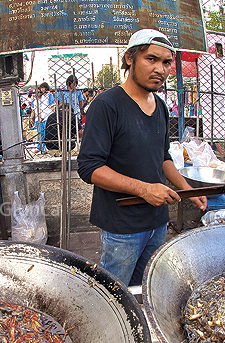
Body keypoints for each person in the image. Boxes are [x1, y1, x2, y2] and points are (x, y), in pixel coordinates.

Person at [78, 29, 207, 286]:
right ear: (129, 59)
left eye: (166, 62)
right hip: (122, 226)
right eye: (151, 59)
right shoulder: (107, 105)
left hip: (157, 221)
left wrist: (187, 190)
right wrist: (144, 189)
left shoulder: (160, 106)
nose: (160, 69)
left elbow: (162, 157)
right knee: (114, 293)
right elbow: (89, 167)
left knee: (144, 289)